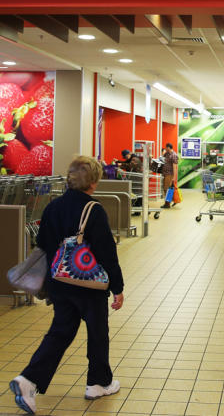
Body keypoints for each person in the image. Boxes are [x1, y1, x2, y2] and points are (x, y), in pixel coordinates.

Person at [9, 156, 125, 415]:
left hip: (60, 283)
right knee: (97, 332)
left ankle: (28, 380)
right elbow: (107, 253)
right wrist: (117, 287)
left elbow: (44, 246)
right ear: (94, 182)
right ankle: (98, 383)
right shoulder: (94, 210)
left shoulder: (52, 207)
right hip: (89, 286)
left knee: (59, 333)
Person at [161, 143, 178, 208]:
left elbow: (175, 167)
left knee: (166, 189)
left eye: (166, 147)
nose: (165, 148)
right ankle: (174, 200)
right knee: (167, 189)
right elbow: (162, 158)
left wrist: (174, 177)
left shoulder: (173, 155)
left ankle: (167, 204)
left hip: (170, 174)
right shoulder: (167, 153)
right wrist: (163, 153)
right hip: (165, 174)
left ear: (168, 147)